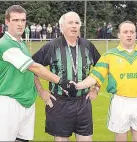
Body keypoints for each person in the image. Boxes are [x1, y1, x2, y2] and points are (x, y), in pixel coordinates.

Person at [0, 5, 76, 142]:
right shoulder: (5, 44)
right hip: (9, 102)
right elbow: (34, 67)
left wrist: (41, 90)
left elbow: (29, 73)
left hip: (27, 102)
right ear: (7, 22)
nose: (20, 24)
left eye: (23, 20)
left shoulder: (21, 44)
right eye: (15, 20)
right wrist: (62, 82)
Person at [75, 21, 137, 141]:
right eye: (125, 32)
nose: (129, 35)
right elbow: (95, 76)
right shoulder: (109, 55)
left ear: (135, 34)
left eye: (132, 32)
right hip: (120, 102)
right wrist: (79, 85)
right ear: (119, 35)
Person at [32, 11, 101, 141]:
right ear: (62, 26)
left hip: (83, 103)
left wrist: (96, 88)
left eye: (77, 23)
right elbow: (32, 67)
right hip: (60, 103)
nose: (74, 26)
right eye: (70, 23)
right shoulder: (52, 46)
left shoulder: (88, 46)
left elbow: (102, 68)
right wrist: (41, 91)